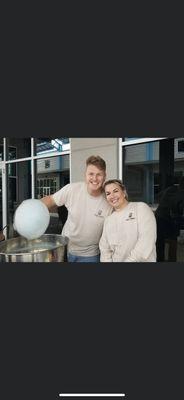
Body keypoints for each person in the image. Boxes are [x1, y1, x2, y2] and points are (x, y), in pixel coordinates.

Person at [41, 155, 112, 262]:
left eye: (99, 174)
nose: (94, 178)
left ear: (105, 176)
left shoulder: (109, 200)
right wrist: (32, 208)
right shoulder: (72, 189)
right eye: (91, 174)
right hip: (65, 249)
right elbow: (50, 200)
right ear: (85, 175)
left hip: (90, 255)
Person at [99, 179, 157, 262]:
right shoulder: (109, 220)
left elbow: (146, 241)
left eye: (115, 191)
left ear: (124, 192)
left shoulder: (141, 208)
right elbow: (105, 249)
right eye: (108, 193)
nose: (112, 196)